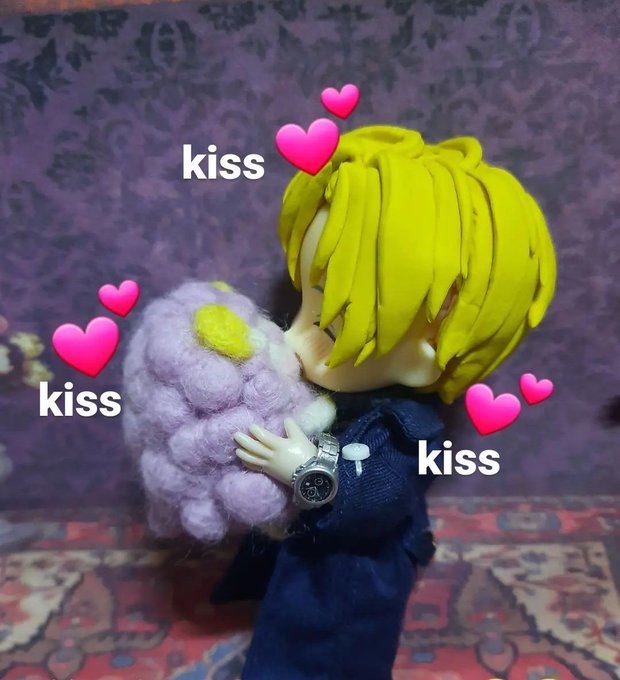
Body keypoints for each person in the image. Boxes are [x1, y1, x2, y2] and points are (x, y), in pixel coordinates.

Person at [213, 125, 557, 679]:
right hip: (303, 538)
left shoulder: (402, 429)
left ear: (420, 362)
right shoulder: (338, 389)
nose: (294, 338)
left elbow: (377, 498)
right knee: (280, 592)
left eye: (327, 326)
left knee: (321, 643)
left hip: (349, 566)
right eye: (303, 305)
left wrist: (306, 472)